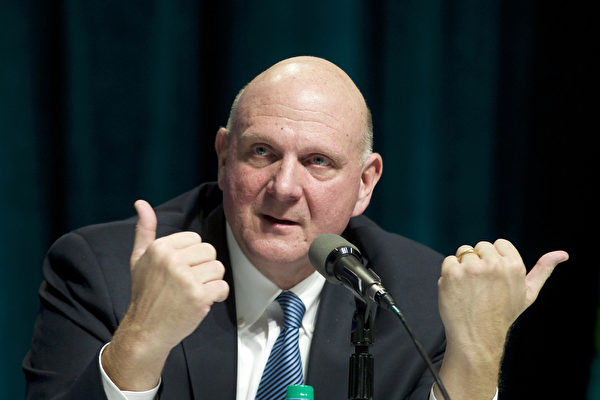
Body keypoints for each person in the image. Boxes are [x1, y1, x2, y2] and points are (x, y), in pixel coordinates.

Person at [23, 56, 568, 400]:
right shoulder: (106, 272)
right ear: (223, 157)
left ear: (365, 183)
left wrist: (476, 354)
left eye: (317, 161)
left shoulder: (418, 300)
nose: (284, 187)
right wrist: (141, 339)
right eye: (261, 152)